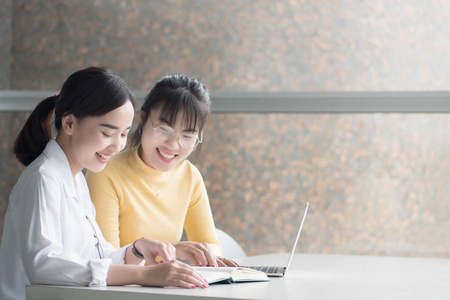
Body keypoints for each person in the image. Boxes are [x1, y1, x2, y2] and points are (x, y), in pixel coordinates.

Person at [0, 67, 208, 300]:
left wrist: (136, 249)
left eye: (123, 134)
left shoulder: (75, 177)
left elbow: (95, 258)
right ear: (69, 124)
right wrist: (142, 276)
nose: (118, 146)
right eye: (108, 133)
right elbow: (43, 265)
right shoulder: (44, 177)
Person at [86, 75, 237, 267]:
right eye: (164, 129)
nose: (173, 145)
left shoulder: (190, 177)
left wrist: (203, 254)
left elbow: (210, 245)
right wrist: (175, 250)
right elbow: (107, 262)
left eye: (187, 136)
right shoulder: (106, 172)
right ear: (143, 119)